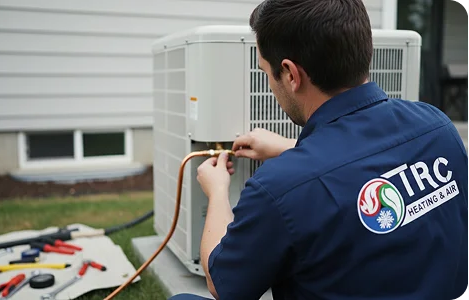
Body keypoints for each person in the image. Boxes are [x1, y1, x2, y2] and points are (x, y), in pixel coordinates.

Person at [169, 0, 469, 299]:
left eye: (266, 72)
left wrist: (218, 191)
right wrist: (289, 147)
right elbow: (361, 166)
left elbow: (222, 284)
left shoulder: (278, 188)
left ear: (290, 73)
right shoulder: (437, 128)